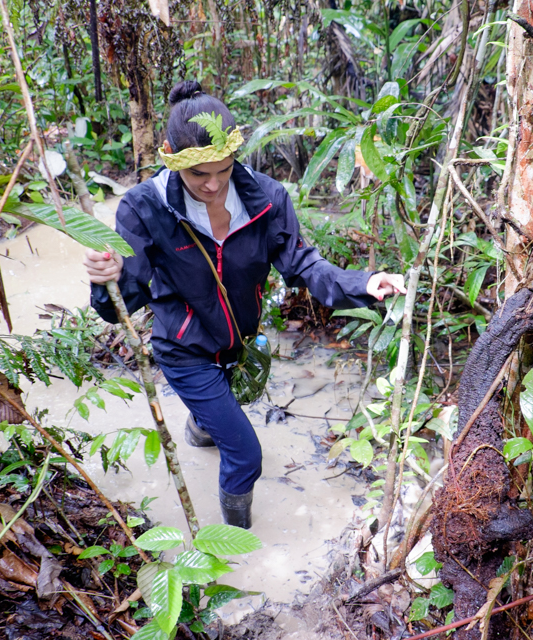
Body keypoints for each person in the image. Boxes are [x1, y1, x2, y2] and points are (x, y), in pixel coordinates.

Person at [84, 80, 406, 529]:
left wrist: (365, 282)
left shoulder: (267, 198)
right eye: (199, 175)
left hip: (238, 340)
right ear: (174, 161)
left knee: (216, 419)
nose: (213, 184)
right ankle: (242, 545)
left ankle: (200, 428)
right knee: (246, 454)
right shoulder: (143, 208)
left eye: (223, 169)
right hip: (184, 348)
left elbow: (303, 264)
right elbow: (124, 300)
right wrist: (108, 280)